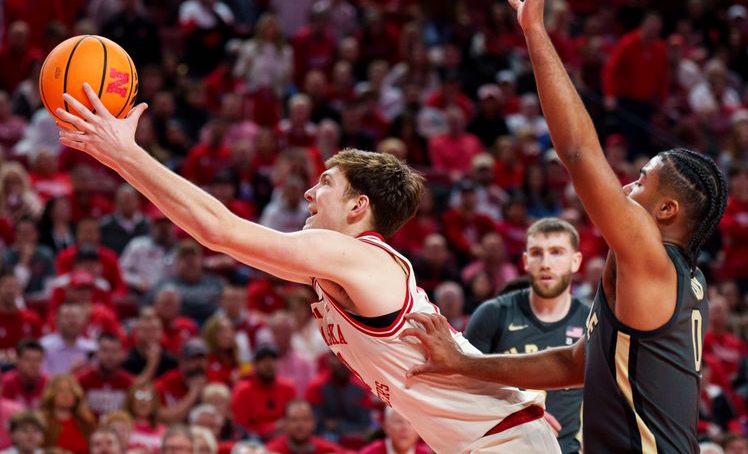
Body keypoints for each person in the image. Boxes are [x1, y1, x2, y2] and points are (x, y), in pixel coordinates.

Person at [56, 85, 557, 451]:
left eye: (324, 183)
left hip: (500, 442)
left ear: (358, 207)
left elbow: (220, 229)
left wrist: (125, 152)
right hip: (495, 436)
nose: (308, 193)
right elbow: (224, 242)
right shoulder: (344, 269)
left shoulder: (355, 255)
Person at [402, 0, 728, 453]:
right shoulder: (673, 279)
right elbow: (574, 364)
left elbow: (577, 152)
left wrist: (534, 32)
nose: (626, 186)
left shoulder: (652, 257)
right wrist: (465, 363)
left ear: (667, 211)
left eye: (641, 180)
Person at [464, 217, 590, 453]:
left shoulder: (592, 321)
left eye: (556, 252)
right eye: (536, 253)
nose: (546, 263)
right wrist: (521, 414)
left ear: (575, 261)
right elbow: (463, 389)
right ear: (525, 261)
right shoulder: (493, 314)